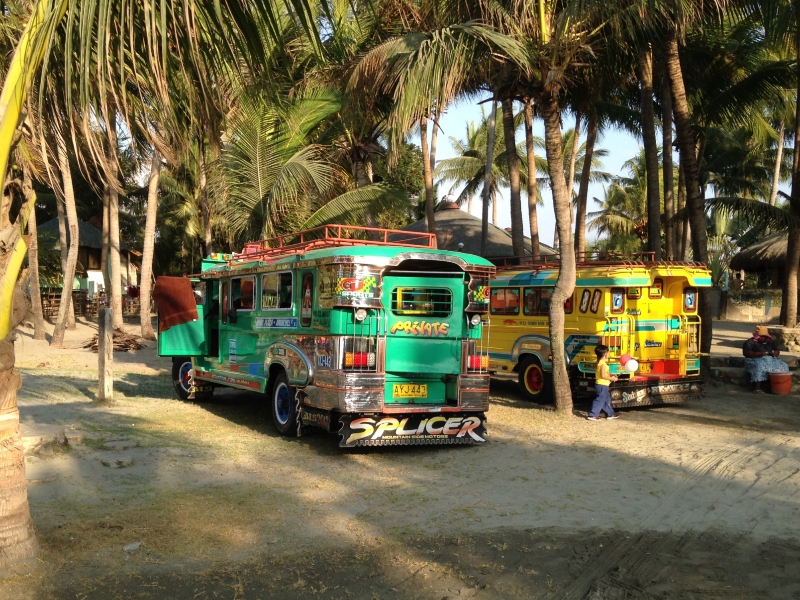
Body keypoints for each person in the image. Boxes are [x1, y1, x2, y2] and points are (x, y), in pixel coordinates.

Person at [742, 325, 789, 393]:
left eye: (765, 336)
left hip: (770, 359)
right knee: (760, 366)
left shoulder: (770, 342)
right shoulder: (750, 342)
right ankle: (757, 387)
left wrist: (775, 353)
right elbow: (746, 353)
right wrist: (759, 354)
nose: (763, 338)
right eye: (761, 336)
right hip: (755, 359)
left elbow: (776, 350)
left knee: (783, 365)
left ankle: (777, 386)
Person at [588, 344, 620, 421]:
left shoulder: (601, 363)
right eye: (608, 352)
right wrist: (612, 379)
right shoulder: (602, 364)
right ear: (605, 354)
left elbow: (604, 374)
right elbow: (603, 375)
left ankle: (610, 414)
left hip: (604, 385)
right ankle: (592, 414)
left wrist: (612, 375)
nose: (609, 354)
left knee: (606, 400)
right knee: (600, 400)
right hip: (602, 385)